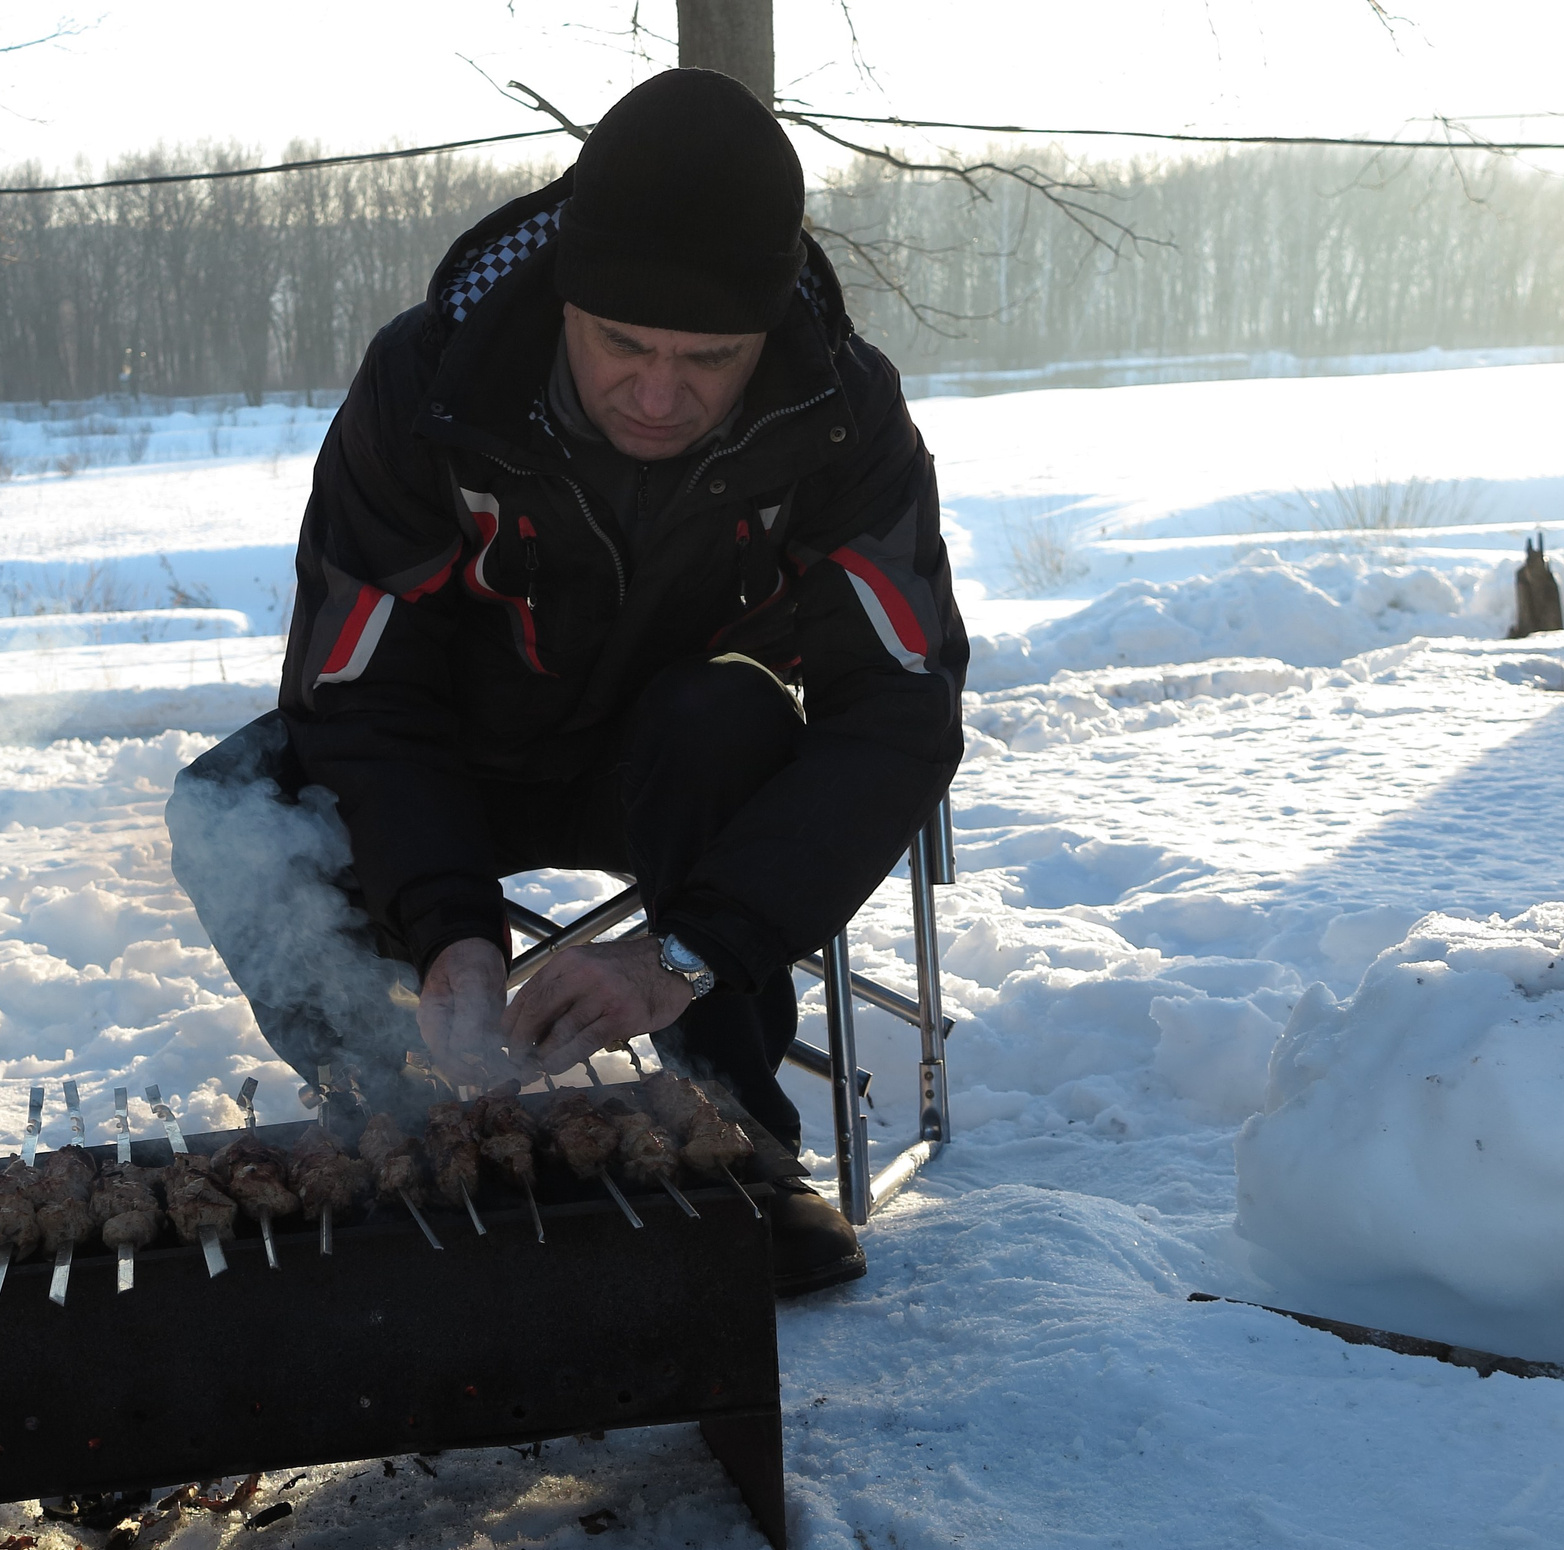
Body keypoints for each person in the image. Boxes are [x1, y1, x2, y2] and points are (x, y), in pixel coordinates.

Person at [166, 69, 966, 1295]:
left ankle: (730, 1146)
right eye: (623, 345)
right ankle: (406, 1134)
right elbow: (359, 687)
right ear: (563, 303)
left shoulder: (840, 414)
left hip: (681, 771)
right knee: (235, 803)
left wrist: (680, 954)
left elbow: (901, 712)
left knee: (728, 710)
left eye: (710, 357)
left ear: (765, 333)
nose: (660, 393)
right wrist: (445, 926)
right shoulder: (430, 389)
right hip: (460, 757)